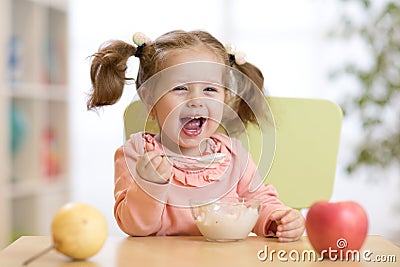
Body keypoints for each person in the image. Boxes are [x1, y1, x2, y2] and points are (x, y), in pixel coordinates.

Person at [87, 30, 305, 242]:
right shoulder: (136, 153)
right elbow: (134, 227)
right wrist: (148, 184)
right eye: (180, 88)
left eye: (210, 89)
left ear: (225, 99)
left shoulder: (234, 155)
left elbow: (258, 201)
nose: (196, 100)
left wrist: (276, 218)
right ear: (150, 100)